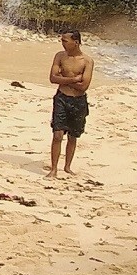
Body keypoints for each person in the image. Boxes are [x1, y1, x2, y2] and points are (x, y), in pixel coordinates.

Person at [48, 30, 94, 177]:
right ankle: (54, 169)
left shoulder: (87, 61)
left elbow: (84, 86)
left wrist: (64, 79)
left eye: (65, 41)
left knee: (73, 136)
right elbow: (53, 78)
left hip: (78, 101)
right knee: (57, 135)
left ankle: (67, 167)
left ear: (76, 42)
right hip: (61, 98)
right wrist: (73, 80)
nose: (62, 43)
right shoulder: (60, 56)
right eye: (62, 40)